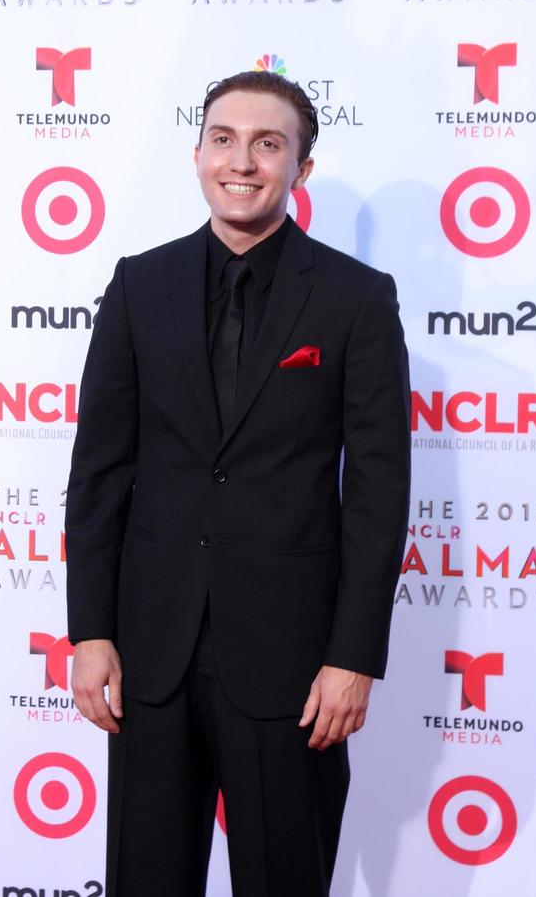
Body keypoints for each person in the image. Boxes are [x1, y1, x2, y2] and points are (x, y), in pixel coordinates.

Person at [65, 70, 411, 897]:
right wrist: (90, 632)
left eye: (268, 143)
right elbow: (100, 471)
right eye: (224, 139)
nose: (243, 162)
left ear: (302, 167)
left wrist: (352, 657)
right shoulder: (138, 285)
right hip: (152, 658)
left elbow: (378, 491)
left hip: (292, 667)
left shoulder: (356, 299)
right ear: (197, 155)